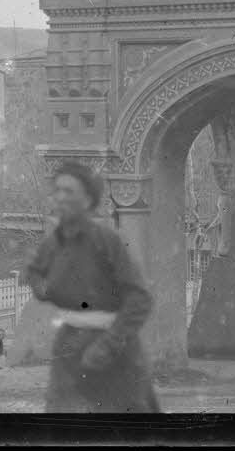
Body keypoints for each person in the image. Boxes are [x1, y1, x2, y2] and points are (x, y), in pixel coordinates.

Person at [22, 160, 160, 412]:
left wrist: (108, 345)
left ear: (87, 200)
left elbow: (140, 299)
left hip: (114, 354)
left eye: (69, 191)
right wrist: (36, 280)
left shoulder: (107, 241)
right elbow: (40, 283)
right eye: (58, 190)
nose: (61, 198)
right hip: (68, 352)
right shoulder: (53, 243)